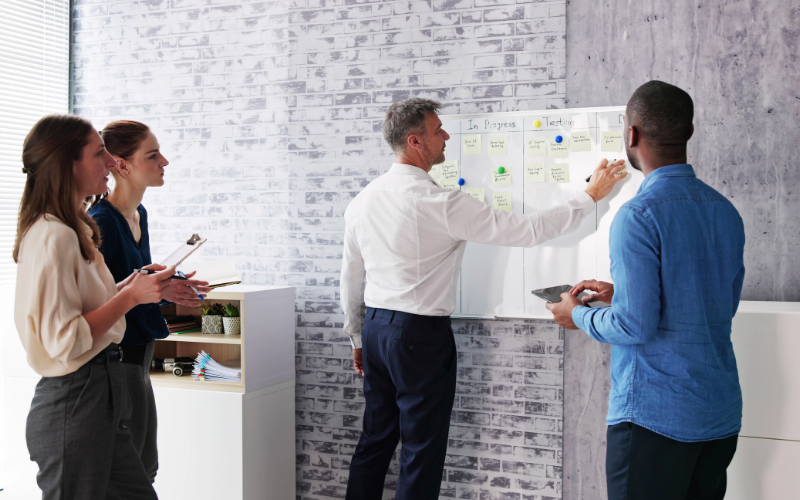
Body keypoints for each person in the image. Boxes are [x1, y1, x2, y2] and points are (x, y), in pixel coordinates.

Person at [340, 98, 628, 499]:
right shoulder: (439, 203)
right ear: (415, 141)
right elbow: (527, 230)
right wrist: (590, 196)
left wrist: (357, 337)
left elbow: (350, 277)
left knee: (374, 442)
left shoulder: (363, 200)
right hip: (418, 337)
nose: (446, 136)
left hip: (375, 332)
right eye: (437, 130)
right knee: (420, 453)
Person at [547, 81, 745, 500]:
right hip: (718, 415)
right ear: (689, 133)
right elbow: (714, 305)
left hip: (656, 420)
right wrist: (624, 294)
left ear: (631, 135)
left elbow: (635, 325)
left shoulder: (637, 215)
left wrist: (577, 315)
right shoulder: (725, 211)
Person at [13, 114, 176, 499]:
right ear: (68, 164)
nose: (109, 162)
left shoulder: (76, 228)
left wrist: (133, 287)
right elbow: (64, 341)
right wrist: (129, 297)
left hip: (100, 388)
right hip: (75, 397)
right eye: (98, 153)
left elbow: (87, 306)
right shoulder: (53, 235)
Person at [88, 120, 211, 483]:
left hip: (141, 357)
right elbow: (102, 300)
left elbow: (134, 286)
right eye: (153, 155)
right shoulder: (102, 223)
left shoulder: (139, 215)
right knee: (135, 475)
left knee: (145, 467)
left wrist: (167, 288)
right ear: (122, 165)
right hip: (119, 359)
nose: (165, 162)